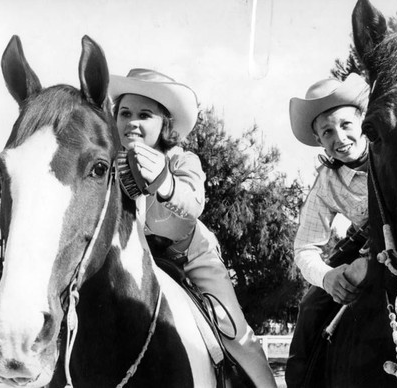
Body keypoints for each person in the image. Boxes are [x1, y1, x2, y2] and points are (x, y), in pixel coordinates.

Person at [108, 68, 277, 388]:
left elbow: (193, 204)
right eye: (125, 113)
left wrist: (164, 181)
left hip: (189, 254)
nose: (132, 122)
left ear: (165, 126)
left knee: (235, 334)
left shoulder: (181, 160)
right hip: (135, 262)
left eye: (145, 115)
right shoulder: (108, 166)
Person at [285, 73, 371, 388]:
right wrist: (328, 277)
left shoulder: (396, 148)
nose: (339, 138)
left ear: (362, 120)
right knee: (310, 305)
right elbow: (304, 248)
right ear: (319, 140)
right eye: (327, 131)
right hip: (367, 243)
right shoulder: (327, 182)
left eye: (345, 124)